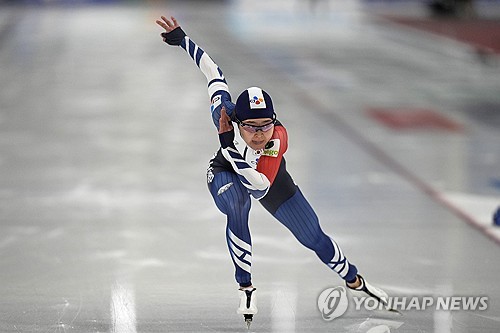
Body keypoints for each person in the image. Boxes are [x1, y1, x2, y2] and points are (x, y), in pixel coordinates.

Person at [155, 15, 390, 326]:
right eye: (251, 127)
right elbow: (213, 72)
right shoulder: (223, 112)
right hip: (225, 171)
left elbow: (260, 186)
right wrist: (183, 39)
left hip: (267, 177)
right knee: (237, 204)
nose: (259, 134)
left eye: (265, 125)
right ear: (238, 122)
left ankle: (354, 279)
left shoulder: (276, 140)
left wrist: (229, 144)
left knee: (314, 237)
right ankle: (246, 285)